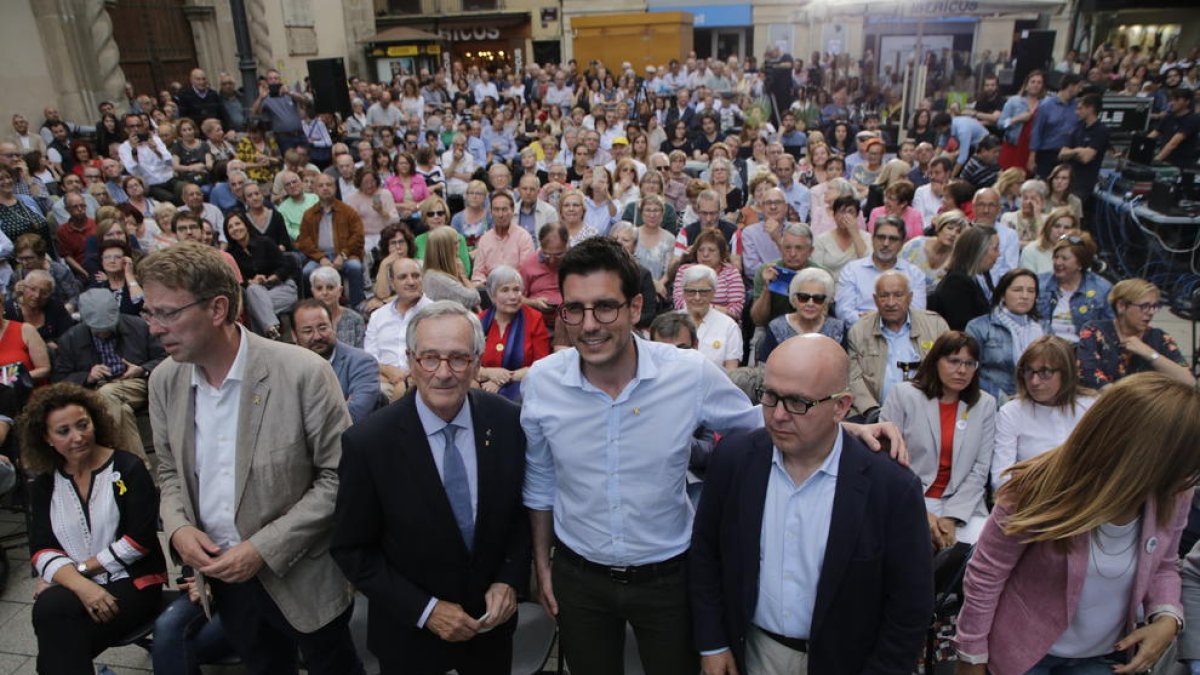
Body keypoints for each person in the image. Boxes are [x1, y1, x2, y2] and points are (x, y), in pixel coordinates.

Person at [521, 238, 904, 675]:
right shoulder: (543, 383)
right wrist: (542, 563)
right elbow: (540, 480)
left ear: (635, 307)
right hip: (579, 577)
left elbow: (755, 420)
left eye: (605, 307)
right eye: (575, 309)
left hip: (668, 580)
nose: (589, 325)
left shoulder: (686, 373)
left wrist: (846, 426)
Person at [144, 241, 364, 675]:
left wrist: (263, 548)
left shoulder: (302, 373)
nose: (153, 327)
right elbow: (169, 471)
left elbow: (339, 477)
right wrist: (179, 528)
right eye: (149, 312)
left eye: (167, 313)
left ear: (218, 308)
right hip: (224, 581)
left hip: (304, 576)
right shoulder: (164, 381)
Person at [334, 300, 531, 673]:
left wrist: (509, 579)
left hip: (489, 635)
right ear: (411, 361)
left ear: (477, 363)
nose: (443, 373)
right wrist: (426, 610)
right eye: (429, 358)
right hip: (410, 640)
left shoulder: (508, 422)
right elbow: (352, 550)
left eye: (458, 358)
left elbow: (520, 516)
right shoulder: (369, 442)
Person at [954, 372, 1196, 675]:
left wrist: (1167, 617)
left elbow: (1163, 564)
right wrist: (972, 656)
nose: (1190, 476)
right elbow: (986, 574)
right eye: (1186, 462)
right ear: (1146, 455)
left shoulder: (1174, 493)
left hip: (1105, 656)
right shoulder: (1038, 486)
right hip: (1023, 655)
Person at [22, 383, 167, 674]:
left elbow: (138, 542)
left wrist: (73, 574)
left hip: (134, 583)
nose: (78, 437)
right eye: (63, 431)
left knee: (55, 628)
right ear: (47, 439)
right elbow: (41, 548)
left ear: (95, 422)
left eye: (83, 425)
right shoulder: (46, 483)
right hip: (77, 587)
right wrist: (82, 586)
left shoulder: (128, 468)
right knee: (55, 618)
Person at [881, 331, 995, 548]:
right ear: (935, 361)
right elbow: (887, 462)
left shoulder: (985, 404)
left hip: (963, 503)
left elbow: (980, 470)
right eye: (953, 361)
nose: (962, 370)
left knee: (982, 549)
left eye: (969, 363)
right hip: (911, 496)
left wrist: (951, 517)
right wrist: (921, 511)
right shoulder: (903, 395)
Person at [52, 287, 163, 461]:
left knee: (106, 394)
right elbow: (59, 379)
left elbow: (164, 358)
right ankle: (140, 467)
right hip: (95, 390)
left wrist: (141, 369)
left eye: (108, 327)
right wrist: (87, 376)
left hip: (135, 382)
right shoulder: (71, 339)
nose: (104, 332)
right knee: (121, 409)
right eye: (98, 329)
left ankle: (116, 461)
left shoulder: (138, 326)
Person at [991, 335, 1097, 488]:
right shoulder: (1011, 412)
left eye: (1045, 372)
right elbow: (1000, 478)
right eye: (1029, 371)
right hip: (1029, 498)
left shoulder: (1091, 407)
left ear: (1066, 373)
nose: (1034, 381)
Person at [847, 270, 950, 418]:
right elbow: (854, 379)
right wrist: (872, 412)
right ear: (875, 299)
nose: (891, 302)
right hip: (874, 414)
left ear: (910, 297)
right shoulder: (859, 331)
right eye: (884, 296)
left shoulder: (936, 325)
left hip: (928, 412)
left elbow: (948, 370)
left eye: (898, 295)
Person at [1077, 278, 1194, 389]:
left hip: (1148, 402)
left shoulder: (1159, 337)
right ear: (1121, 306)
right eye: (1145, 306)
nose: (1151, 312)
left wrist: (1150, 354)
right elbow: (1087, 373)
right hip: (1106, 400)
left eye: (1154, 306)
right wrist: (1126, 399)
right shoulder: (1095, 331)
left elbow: (1190, 382)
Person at [292, 298, 378, 425]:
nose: (317, 336)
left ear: (333, 326)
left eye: (322, 328)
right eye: (308, 331)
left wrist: (303, 417)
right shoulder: (286, 368)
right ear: (294, 336)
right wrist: (341, 406)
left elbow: (354, 415)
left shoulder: (362, 362)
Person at [965, 268, 1044, 401]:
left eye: (1031, 291)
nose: (1025, 296)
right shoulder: (979, 327)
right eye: (1017, 290)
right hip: (992, 401)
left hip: (1033, 400)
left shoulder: (1042, 329)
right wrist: (1002, 398)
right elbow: (969, 370)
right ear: (1002, 294)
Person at [835, 216, 927, 325]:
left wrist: (875, 319)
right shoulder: (852, 270)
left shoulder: (914, 274)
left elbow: (917, 314)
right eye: (881, 237)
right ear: (872, 239)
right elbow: (843, 311)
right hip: (860, 330)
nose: (886, 243)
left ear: (902, 243)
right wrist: (875, 323)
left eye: (893, 239)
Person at [364, 256, 433, 401]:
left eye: (416, 276)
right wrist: (387, 371)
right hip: (383, 381)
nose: (411, 282)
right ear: (392, 283)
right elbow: (369, 359)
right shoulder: (378, 316)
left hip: (423, 381)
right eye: (403, 277)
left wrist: (406, 379)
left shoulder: (435, 313)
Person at [477, 266, 551, 402]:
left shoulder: (534, 319)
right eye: (505, 290)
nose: (513, 296)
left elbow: (542, 366)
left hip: (522, 387)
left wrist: (503, 378)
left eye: (516, 290)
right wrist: (489, 373)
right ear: (492, 295)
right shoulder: (479, 321)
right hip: (483, 386)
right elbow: (467, 363)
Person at [297, 174, 366, 307]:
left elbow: (358, 236)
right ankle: (313, 308)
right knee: (306, 272)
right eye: (321, 186)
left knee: (355, 267)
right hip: (319, 257)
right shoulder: (309, 214)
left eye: (328, 185)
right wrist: (321, 258)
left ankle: (357, 308)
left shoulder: (348, 211)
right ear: (315, 190)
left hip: (345, 255)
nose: (325, 188)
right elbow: (304, 241)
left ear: (335, 188)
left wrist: (343, 255)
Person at [225, 211, 296, 339]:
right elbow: (236, 280)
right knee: (253, 290)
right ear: (227, 232)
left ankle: (263, 339)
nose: (235, 228)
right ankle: (272, 329)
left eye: (238, 224)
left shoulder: (265, 242)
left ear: (246, 224)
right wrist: (250, 281)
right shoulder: (230, 255)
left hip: (282, 288)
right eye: (230, 227)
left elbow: (287, 266)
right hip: (257, 292)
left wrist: (272, 277)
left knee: (253, 306)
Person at [1036, 232, 1112, 343]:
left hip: (1084, 349)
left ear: (1080, 264)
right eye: (1056, 257)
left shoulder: (1102, 289)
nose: (1058, 262)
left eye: (1064, 258)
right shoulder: (1039, 283)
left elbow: (1109, 330)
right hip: (1045, 346)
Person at [759, 267, 845, 362]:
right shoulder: (777, 327)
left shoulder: (837, 329)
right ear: (794, 299)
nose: (810, 303)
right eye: (803, 297)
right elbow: (764, 366)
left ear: (826, 302)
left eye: (818, 298)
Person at [930, 225, 1000, 331]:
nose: (999, 254)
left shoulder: (984, 274)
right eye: (995, 249)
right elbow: (963, 327)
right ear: (979, 251)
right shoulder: (957, 283)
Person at [750, 222, 818, 327]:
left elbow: (824, 318)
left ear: (810, 251)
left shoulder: (820, 274)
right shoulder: (766, 271)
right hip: (771, 328)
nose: (792, 254)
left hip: (811, 327)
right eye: (787, 248)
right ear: (780, 249)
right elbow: (758, 320)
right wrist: (767, 288)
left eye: (799, 248)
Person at [672, 228, 744, 320]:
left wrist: (702, 308)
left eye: (711, 250)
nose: (705, 254)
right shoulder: (684, 270)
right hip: (689, 321)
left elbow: (736, 310)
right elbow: (679, 304)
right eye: (701, 250)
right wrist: (716, 308)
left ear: (721, 253)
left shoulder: (731, 272)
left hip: (722, 322)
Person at [679, 265, 741, 370]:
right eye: (691, 291)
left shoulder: (729, 326)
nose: (697, 297)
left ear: (713, 293)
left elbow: (732, 370)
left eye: (703, 292)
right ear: (683, 293)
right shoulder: (671, 322)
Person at [471, 192, 535, 289]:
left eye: (504, 209)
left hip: (516, 290)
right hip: (489, 290)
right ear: (491, 212)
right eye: (496, 210)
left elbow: (526, 272)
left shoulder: (524, 237)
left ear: (512, 210)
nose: (500, 215)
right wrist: (485, 284)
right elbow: (478, 273)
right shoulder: (485, 239)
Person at [1028, 74, 1085, 179]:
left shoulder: (1078, 107)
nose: (1080, 90)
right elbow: (1036, 131)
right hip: (1047, 154)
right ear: (1070, 86)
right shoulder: (1046, 105)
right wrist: (1032, 157)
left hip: (1067, 155)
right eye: (1079, 86)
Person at [901, 209, 966, 294]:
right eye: (950, 228)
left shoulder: (956, 260)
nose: (953, 234)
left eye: (958, 232)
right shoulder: (915, 245)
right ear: (939, 228)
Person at [1058, 93, 1110, 199]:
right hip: (1067, 180)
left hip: (1083, 184)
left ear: (1090, 108)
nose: (1077, 112)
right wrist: (1079, 150)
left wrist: (1072, 152)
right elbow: (1062, 154)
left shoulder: (1101, 130)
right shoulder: (1077, 127)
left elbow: (1086, 158)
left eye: (1080, 108)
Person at [998, 70, 1045, 171]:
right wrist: (1017, 119)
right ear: (1027, 84)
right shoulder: (1014, 101)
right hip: (1013, 146)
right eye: (1033, 82)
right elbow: (1000, 124)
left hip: (1031, 150)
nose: (1035, 85)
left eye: (1039, 82)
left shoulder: (1044, 104)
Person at [1150, 87, 1199, 168]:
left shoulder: (1193, 119)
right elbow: (1154, 133)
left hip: (1180, 163)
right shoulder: (1169, 116)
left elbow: (1173, 143)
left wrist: (1156, 160)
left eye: (1176, 100)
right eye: (1172, 99)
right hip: (1165, 160)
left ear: (1187, 102)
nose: (1172, 103)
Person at [1021, 207, 1077, 275]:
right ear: (1048, 227)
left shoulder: (1078, 251)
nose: (1061, 231)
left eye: (1067, 228)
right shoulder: (1030, 250)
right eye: (1057, 226)